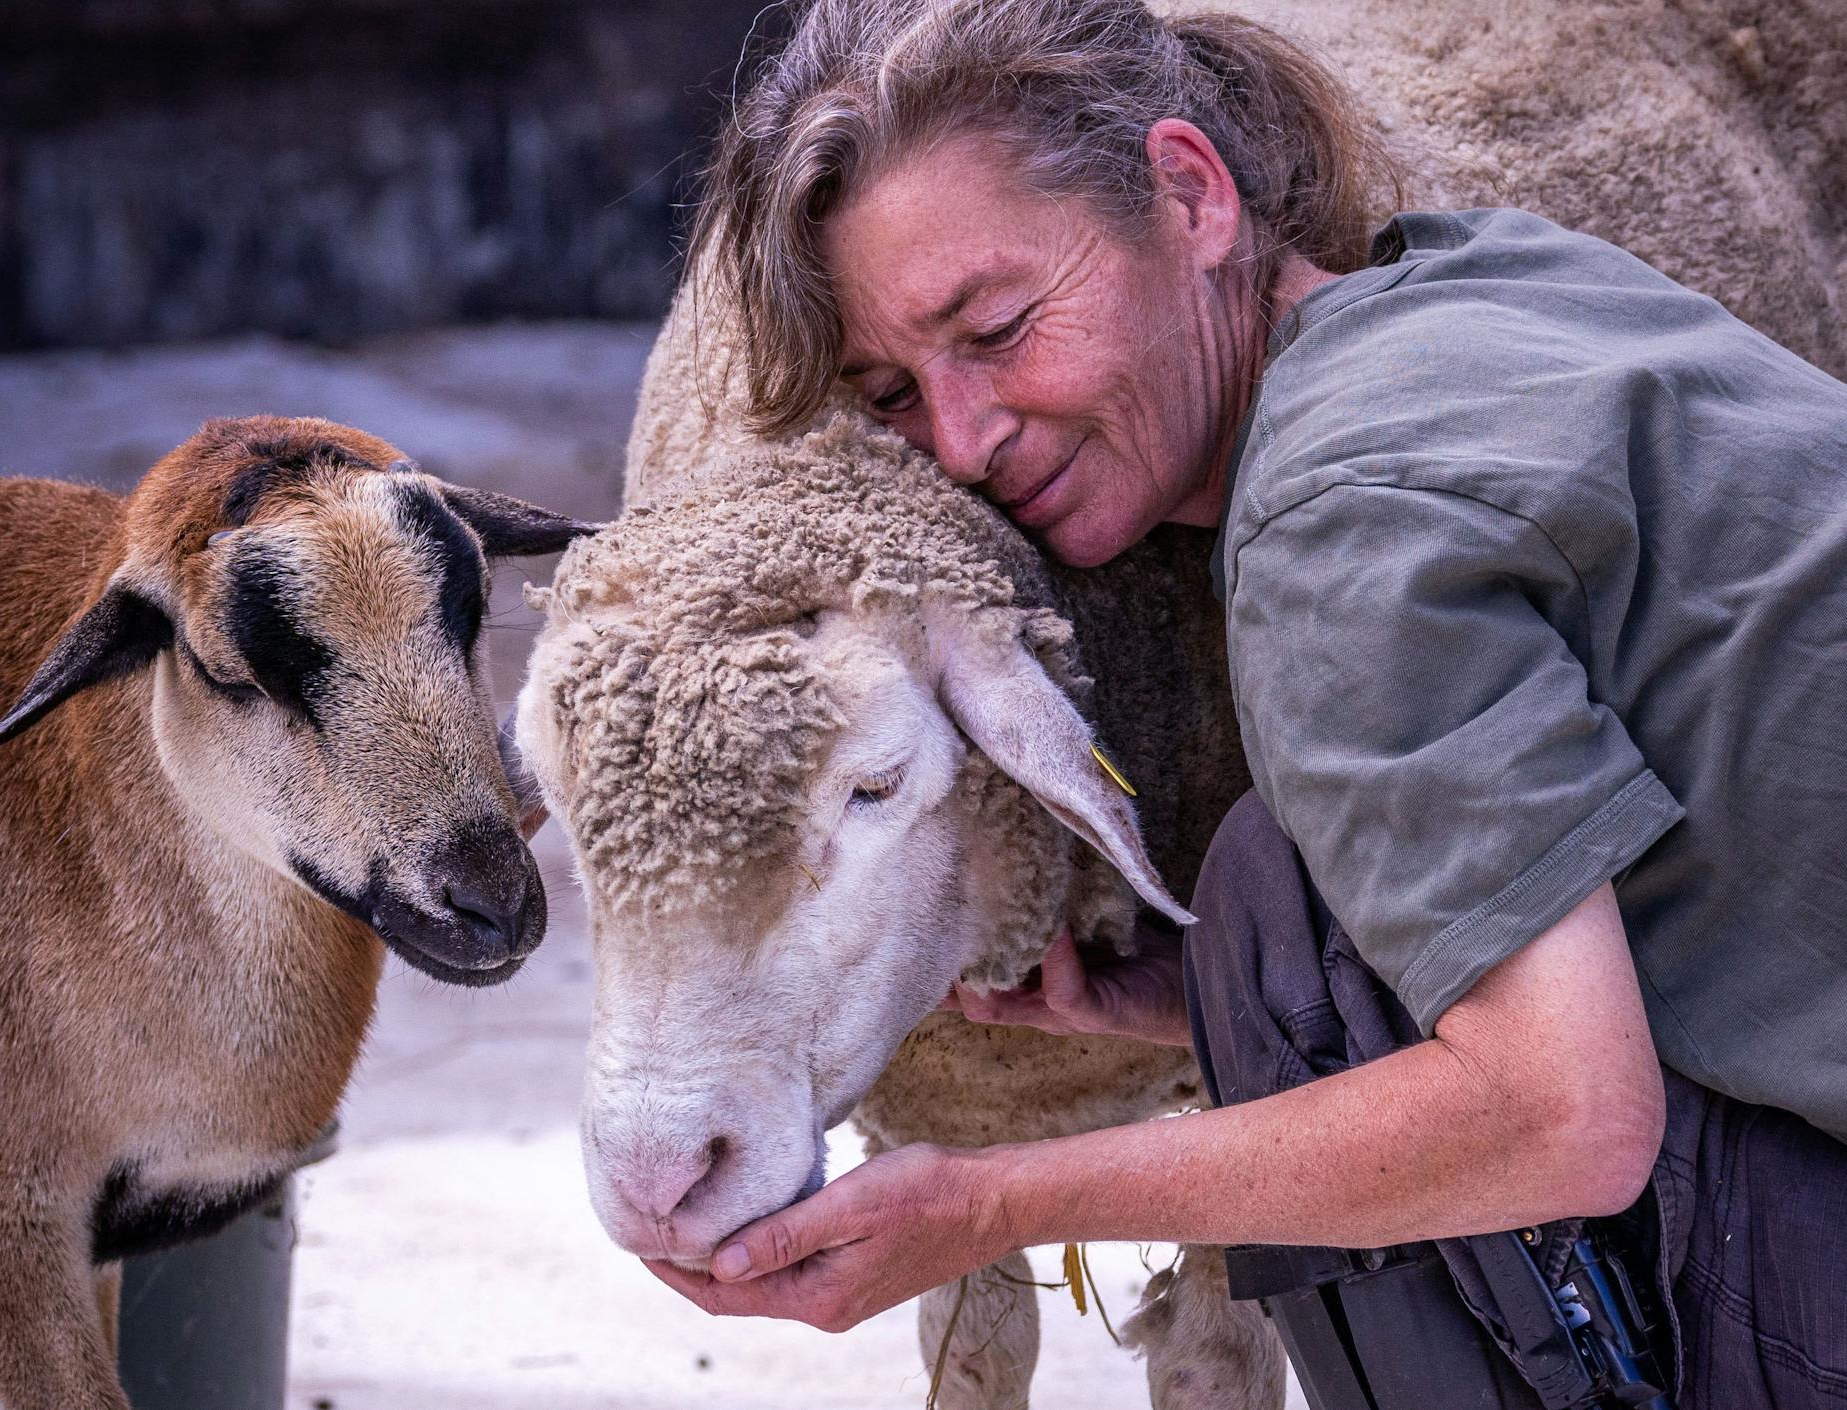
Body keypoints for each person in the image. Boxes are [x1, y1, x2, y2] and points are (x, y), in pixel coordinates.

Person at [645, 0, 1847, 1403]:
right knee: (1273, 935)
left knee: (1273, 894)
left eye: (1000, 326)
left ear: (1194, 194)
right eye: (896, 392)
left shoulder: (1333, 530)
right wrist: (1208, 1012)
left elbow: (1565, 1113)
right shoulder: (1486, 281)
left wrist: (994, 1203)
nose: (963, 440)